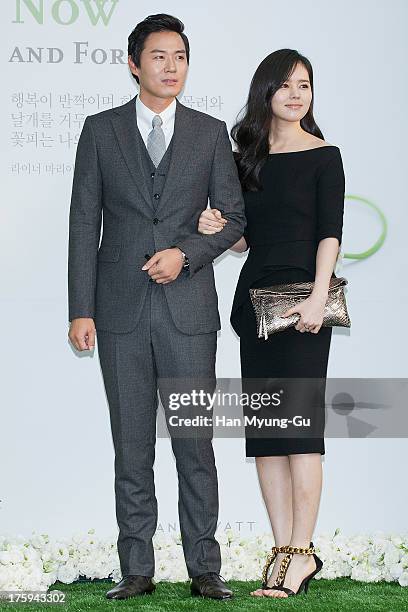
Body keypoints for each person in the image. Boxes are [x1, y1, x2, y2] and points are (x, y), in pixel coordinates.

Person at [67, 13, 245, 601]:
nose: (172, 68)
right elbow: (82, 226)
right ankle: (136, 569)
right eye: (160, 56)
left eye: (181, 57)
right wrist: (80, 308)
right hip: (116, 312)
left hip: (188, 313)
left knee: (195, 444)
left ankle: (204, 567)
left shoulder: (209, 131)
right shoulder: (100, 131)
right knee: (131, 444)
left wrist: (187, 254)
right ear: (134, 63)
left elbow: (235, 220)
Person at [198, 49, 345, 598]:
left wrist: (317, 295)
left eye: (304, 84)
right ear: (266, 92)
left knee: (302, 433)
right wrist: (217, 225)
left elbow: (330, 232)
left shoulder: (326, 156)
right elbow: (243, 239)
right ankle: (282, 548)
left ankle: (303, 551)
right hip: (255, 308)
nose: (296, 93)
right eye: (285, 85)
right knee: (266, 436)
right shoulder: (246, 159)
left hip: (304, 306)